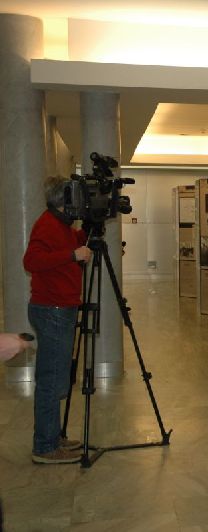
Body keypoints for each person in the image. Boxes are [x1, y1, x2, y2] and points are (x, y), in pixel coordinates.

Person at [23, 176, 91, 464]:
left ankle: (52, 436)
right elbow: (31, 261)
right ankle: (45, 446)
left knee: (58, 375)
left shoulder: (62, 224)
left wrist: (88, 230)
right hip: (51, 310)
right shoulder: (47, 224)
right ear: (64, 199)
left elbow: (72, 243)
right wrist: (72, 255)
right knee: (50, 380)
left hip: (60, 308)